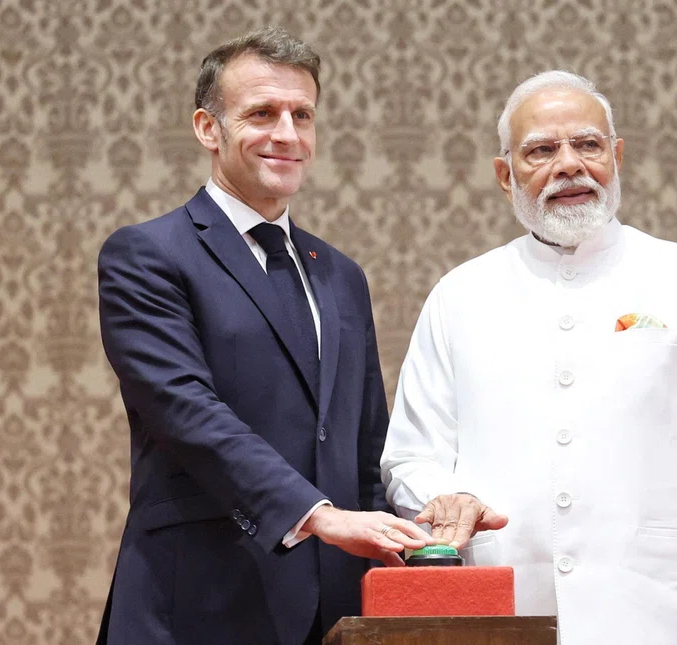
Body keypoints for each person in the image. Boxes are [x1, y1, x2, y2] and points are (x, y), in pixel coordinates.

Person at [380, 70, 677, 645]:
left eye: (588, 144)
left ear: (616, 157)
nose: (569, 164)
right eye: (541, 150)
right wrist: (445, 501)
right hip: (505, 613)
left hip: (661, 615)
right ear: (505, 176)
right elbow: (410, 457)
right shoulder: (460, 295)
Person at [96, 26, 433, 645]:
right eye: (262, 113)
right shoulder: (147, 255)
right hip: (197, 603)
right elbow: (187, 414)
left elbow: (363, 445)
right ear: (208, 128)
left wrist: (416, 531)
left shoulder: (340, 274)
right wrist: (320, 517)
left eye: (302, 114)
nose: (287, 134)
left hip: (333, 611)